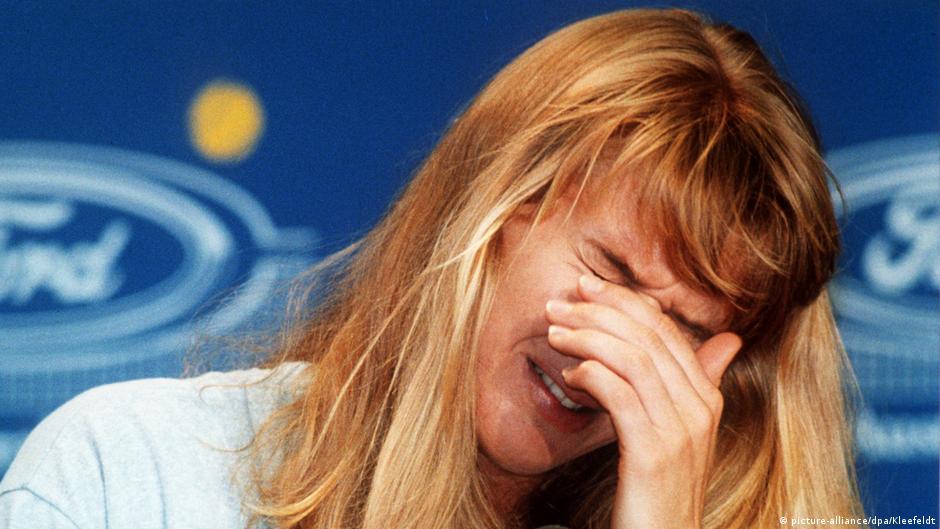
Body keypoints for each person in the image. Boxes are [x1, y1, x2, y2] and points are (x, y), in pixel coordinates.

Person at [0, 7, 866, 529]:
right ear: (496, 205)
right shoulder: (129, 471)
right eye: (609, 272)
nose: (615, 356)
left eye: (679, 329)